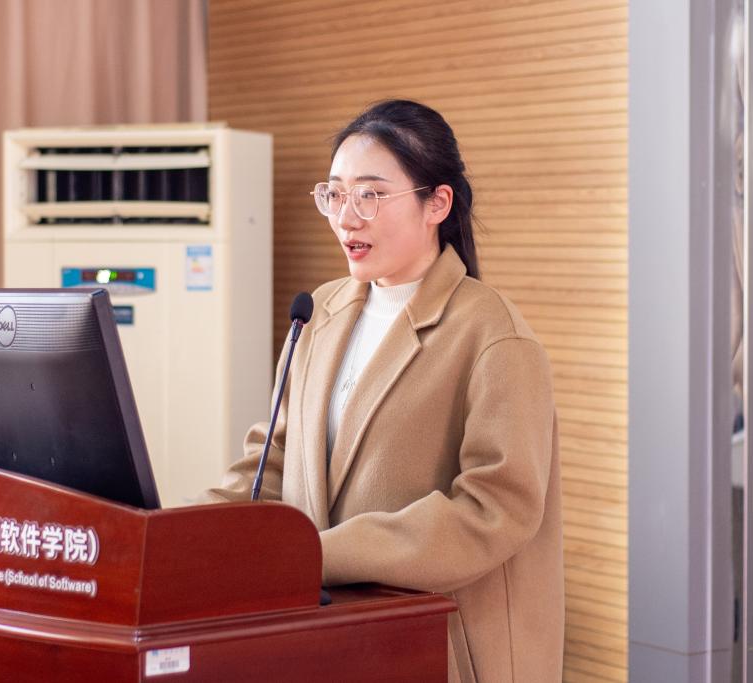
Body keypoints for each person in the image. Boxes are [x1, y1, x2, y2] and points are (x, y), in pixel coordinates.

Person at [202, 99, 564, 682]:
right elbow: (273, 462)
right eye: (335, 195)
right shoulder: (318, 312)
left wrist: (317, 556)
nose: (347, 218)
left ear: (437, 204)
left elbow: (496, 509)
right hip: (327, 637)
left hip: (439, 649)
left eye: (370, 195)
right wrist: (173, 538)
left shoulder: (493, 334)